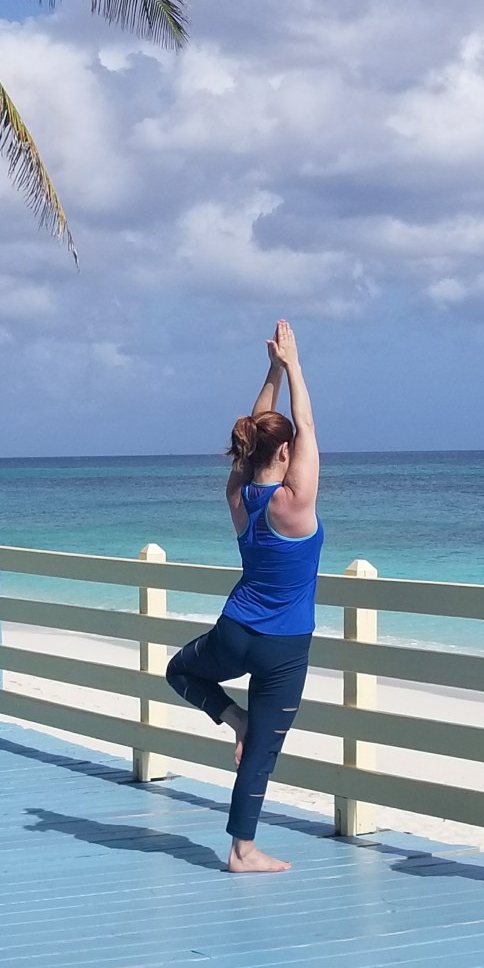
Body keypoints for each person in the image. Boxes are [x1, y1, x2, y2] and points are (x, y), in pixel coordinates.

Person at [166, 319, 322, 873]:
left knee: (179, 670)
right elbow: (305, 422)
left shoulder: (238, 493)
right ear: (286, 452)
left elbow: (260, 430)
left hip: (234, 631)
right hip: (285, 647)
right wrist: (293, 365)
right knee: (262, 753)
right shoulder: (295, 502)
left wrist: (272, 371)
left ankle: (234, 718)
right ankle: (242, 851)